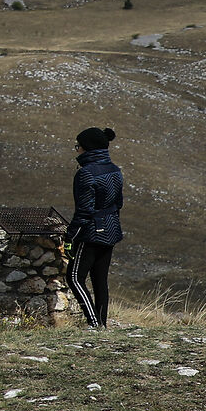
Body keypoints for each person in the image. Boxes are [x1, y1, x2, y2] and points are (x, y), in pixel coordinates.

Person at [65, 126, 123, 326]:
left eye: (78, 146)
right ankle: (102, 324)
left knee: (74, 277)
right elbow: (119, 203)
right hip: (112, 229)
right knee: (100, 280)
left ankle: (93, 323)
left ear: (87, 148)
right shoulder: (115, 170)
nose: (77, 150)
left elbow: (84, 211)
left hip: (91, 232)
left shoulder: (86, 174)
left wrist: (70, 236)